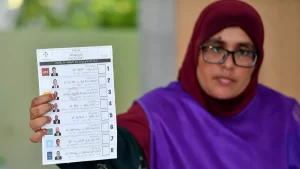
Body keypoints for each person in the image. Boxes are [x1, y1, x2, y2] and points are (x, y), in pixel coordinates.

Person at [28, 0, 300, 169]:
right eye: (216, 48)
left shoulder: (286, 116)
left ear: (257, 59)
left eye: (243, 51)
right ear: (196, 50)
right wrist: (67, 126)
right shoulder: (159, 112)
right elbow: (119, 152)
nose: (228, 64)